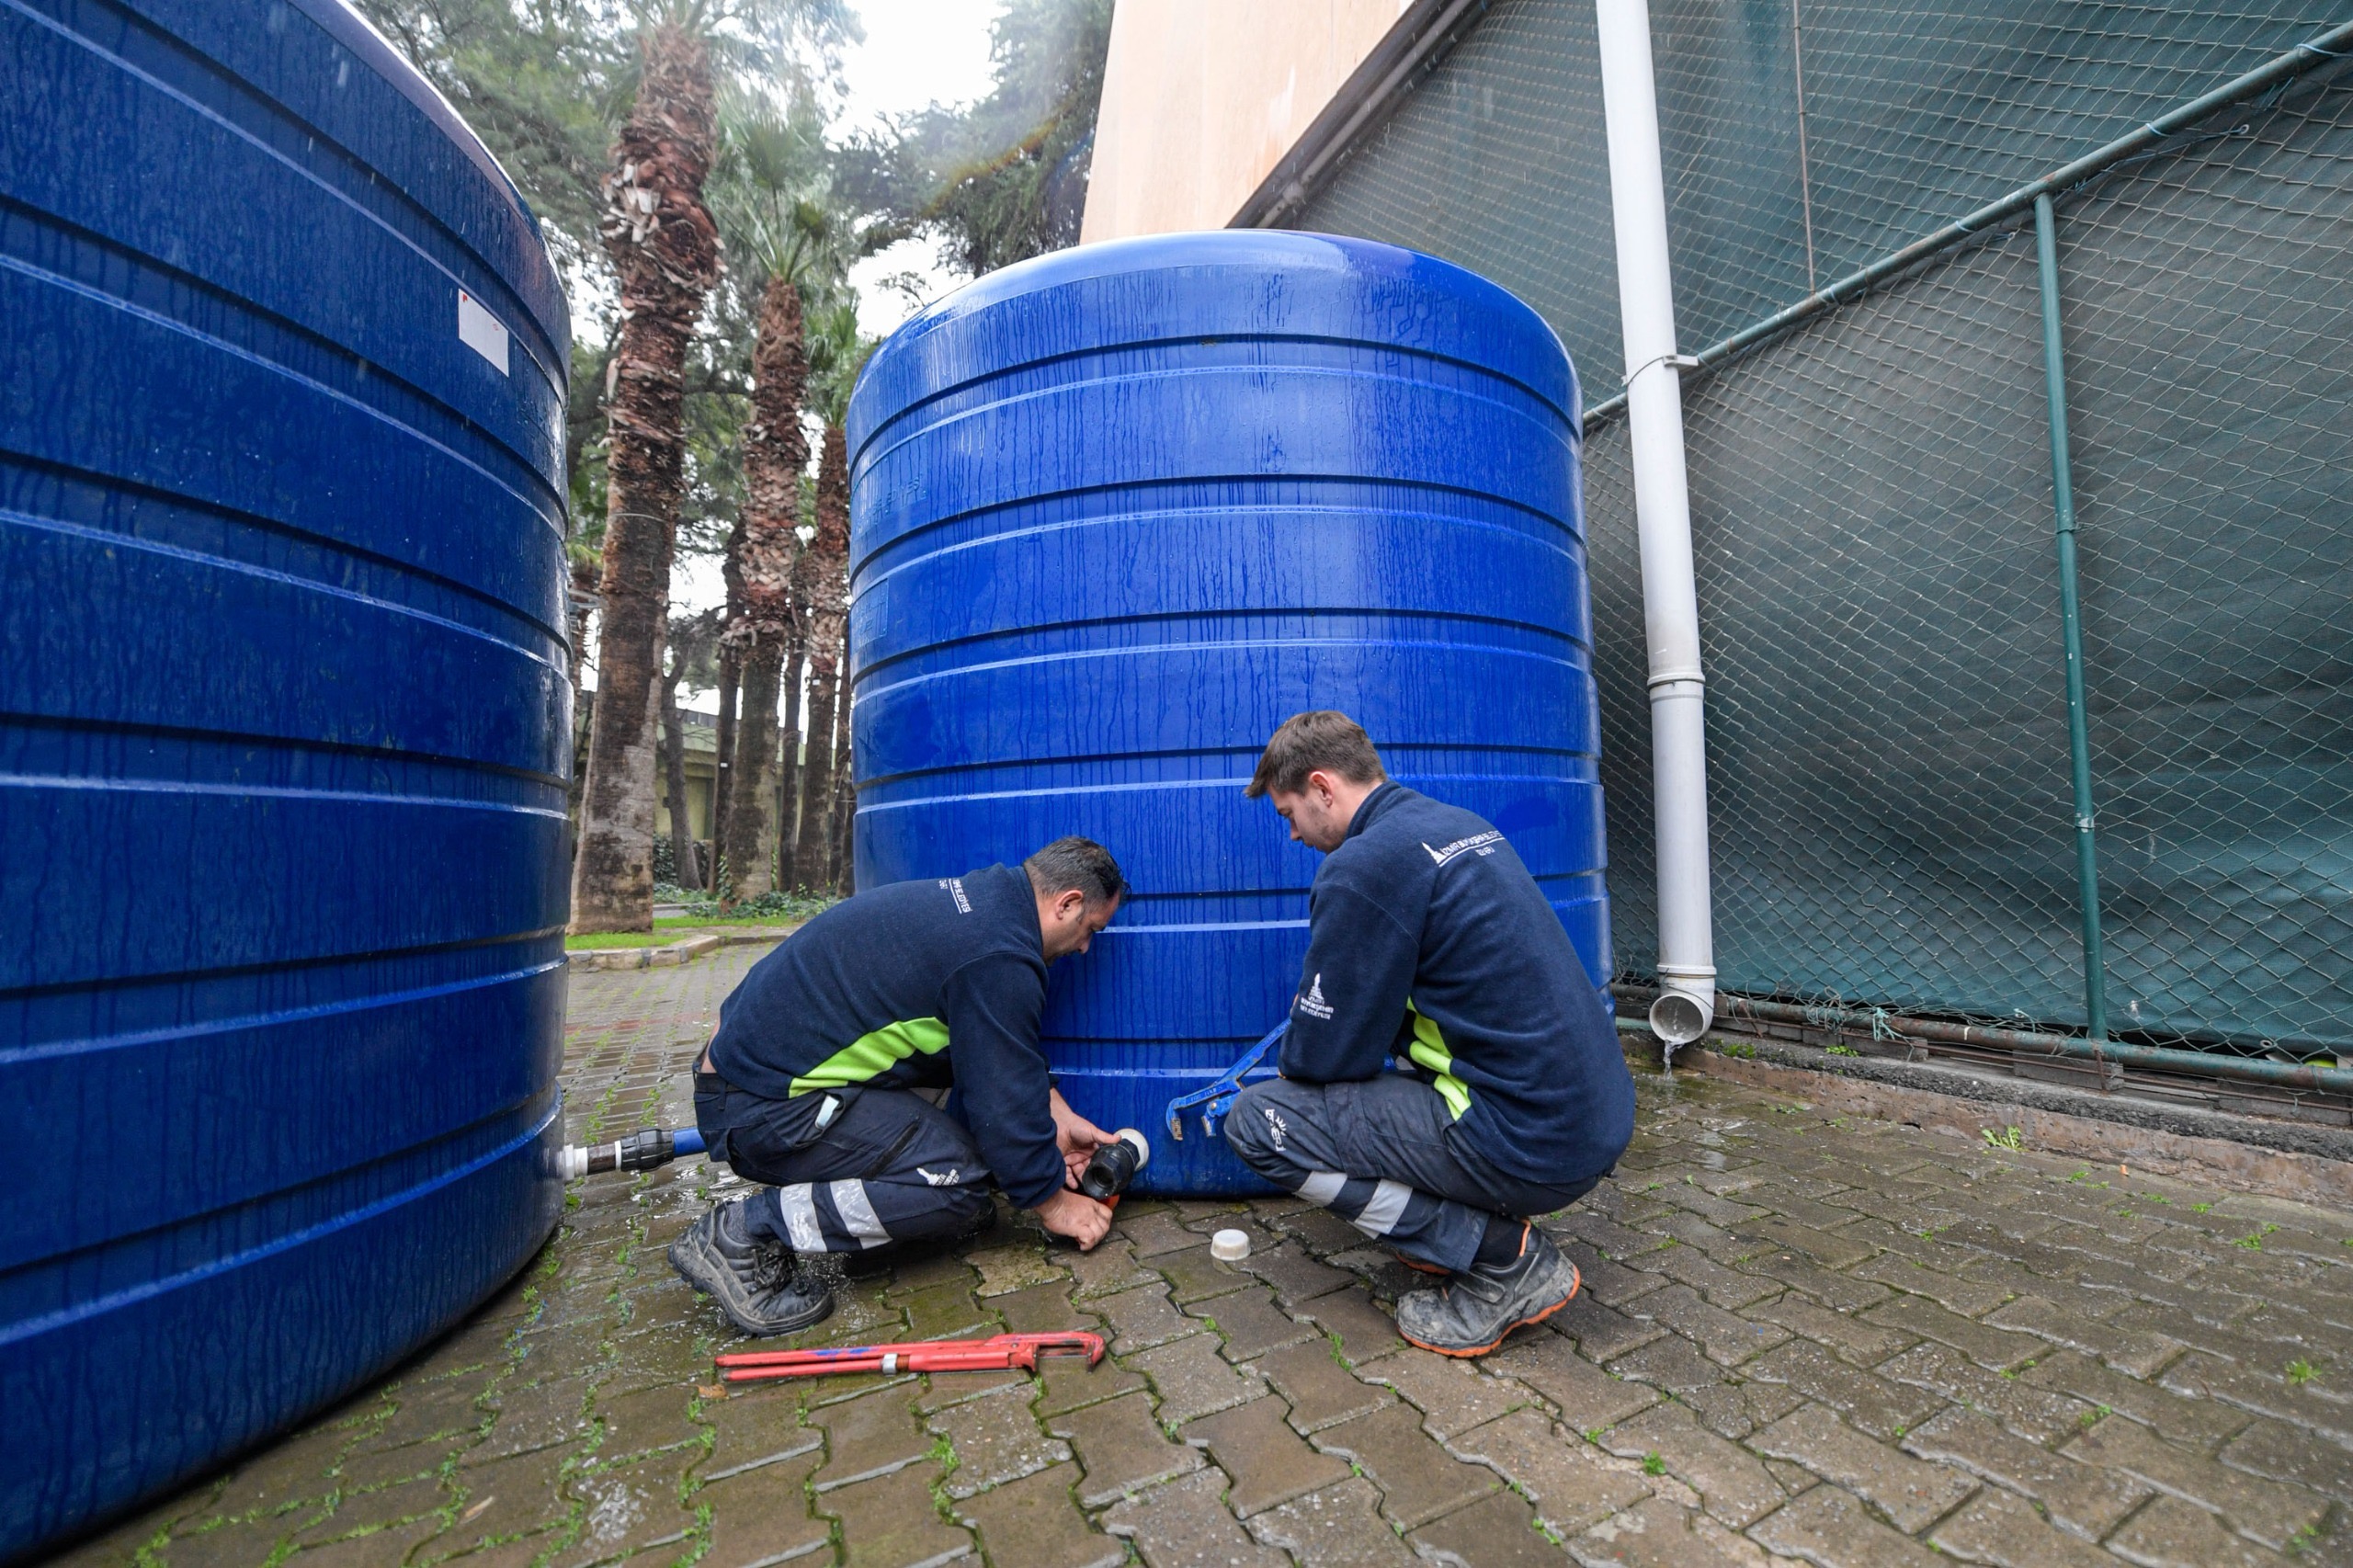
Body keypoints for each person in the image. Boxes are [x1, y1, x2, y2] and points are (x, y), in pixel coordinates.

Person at [1222, 712, 1634, 1356]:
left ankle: (1504, 1261)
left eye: (1289, 813)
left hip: (1531, 1138)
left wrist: (1316, 1031)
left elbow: (1323, 1059)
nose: (1294, 833)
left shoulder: (1362, 866)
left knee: (1260, 1122)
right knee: (1401, 1059)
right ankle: (1461, 1230)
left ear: (1322, 787)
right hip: (1592, 1116)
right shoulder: (1458, 825)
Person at [669, 837, 1128, 1336]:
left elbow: (997, 1051)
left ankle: (899, 1208)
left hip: (745, 1079)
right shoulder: (999, 955)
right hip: (758, 1108)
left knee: (971, 1162)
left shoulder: (987, 908)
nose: (1085, 947)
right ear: (1068, 903)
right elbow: (1002, 1103)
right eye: (1090, 930)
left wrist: (1054, 1112)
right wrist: (1053, 1203)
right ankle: (745, 1232)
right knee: (958, 1182)